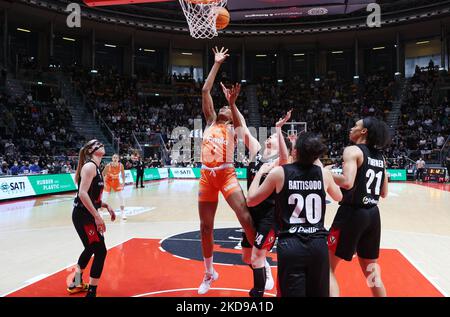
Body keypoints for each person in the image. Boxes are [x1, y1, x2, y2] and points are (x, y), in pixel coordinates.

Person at [247, 132, 342, 297]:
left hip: (291, 244)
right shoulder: (324, 174)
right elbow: (339, 197)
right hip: (318, 244)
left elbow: (251, 200)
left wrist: (260, 173)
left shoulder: (280, 173)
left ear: (295, 152)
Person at [197, 47, 255, 295]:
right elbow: (205, 90)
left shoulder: (233, 127)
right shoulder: (210, 121)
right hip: (206, 177)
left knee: (245, 217)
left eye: (226, 110)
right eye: (221, 107)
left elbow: (241, 124)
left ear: (230, 117)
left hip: (226, 174)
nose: (221, 108)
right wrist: (217, 64)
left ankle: (260, 264)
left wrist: (232, 104)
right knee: (205, 227)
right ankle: (209, 273)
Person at [327, 117, 390, 297]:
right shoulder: (380, 157)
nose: (351, 128)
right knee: (372, 271)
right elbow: (384, 192)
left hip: (352, 214)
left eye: (356, 125)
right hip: (373, 215)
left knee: (327, 268)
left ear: (364, 132)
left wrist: (326, 173)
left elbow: (347, 182)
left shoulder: (353, 150)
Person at [239, 108, 293, 297]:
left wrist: (279, 128)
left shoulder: (279, 162)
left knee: (256, 257)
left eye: (273, 138)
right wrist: (232, 104)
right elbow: (243, 128)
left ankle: (258, 294)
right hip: (251, 215)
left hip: (269, 218)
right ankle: (265, 267)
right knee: (247, 257)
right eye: (269, 136)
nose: (268, 138)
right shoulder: (256, 153)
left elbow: (286, 157)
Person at [67, 139, 116, 297]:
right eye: (97, 143)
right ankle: (91, 292)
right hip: (84, 216)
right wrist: (97, 216)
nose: (101, 144)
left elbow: (91, 195)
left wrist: (104, 205)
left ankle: (76, 283)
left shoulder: (96, 167)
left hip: (85, 214)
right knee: (100, 252)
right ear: (91, 151)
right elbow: (82, 193)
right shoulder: (89, 166)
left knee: (90, 249)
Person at [103, 154, 126, 220]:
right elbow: (102, 173)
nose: (115, 159)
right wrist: (103, 182)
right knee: (104, 198)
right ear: (112, 159)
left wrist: (123, 183)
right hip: (108, 182)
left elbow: (123, 175)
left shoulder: (121, 166)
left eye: (116, 158)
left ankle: (123, 213)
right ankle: (100, 213)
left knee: (121, 197)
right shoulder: (108, 166)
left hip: (116, 181)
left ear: (118, 159)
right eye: (114, 157)